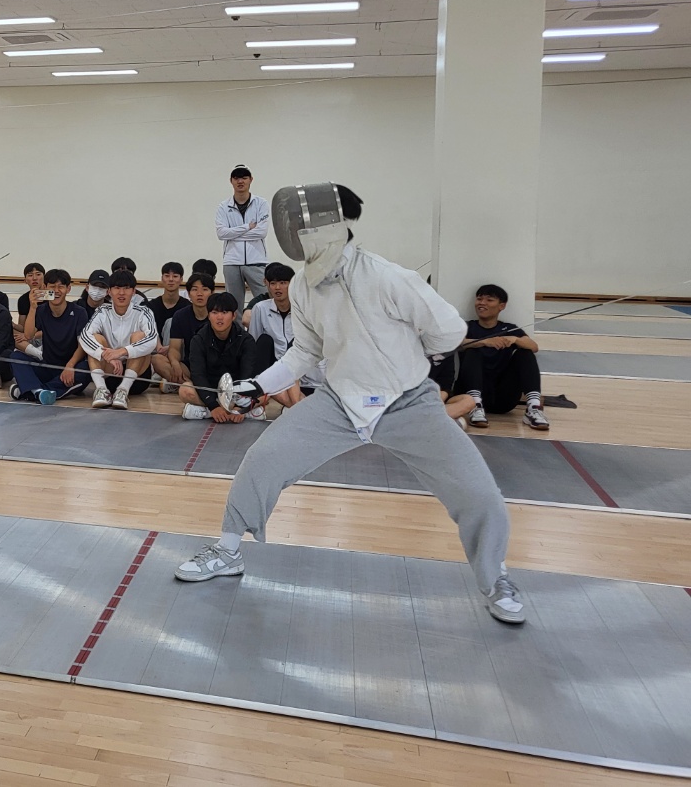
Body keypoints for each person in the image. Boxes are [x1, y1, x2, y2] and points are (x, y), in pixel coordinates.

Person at [175, 182, 525, 626]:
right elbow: (304, 353)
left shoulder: (388, 277)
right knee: (264, 458)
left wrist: (410, 354)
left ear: (329, 228)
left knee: (476, 490)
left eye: (302, 226)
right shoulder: (303, 288)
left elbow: (451, 331)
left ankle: (496, 578)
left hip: (407, 402)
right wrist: (257, 385)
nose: (295, 235)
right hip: (339, 402)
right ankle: (228, 551)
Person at [458, 284, 549, 430]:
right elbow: (455, 344)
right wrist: (484, 342)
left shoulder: (509, 328)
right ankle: (476, 406)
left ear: (502, 306)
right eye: (479, 299)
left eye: (489, 300)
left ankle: (533, 408)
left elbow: (534, 347)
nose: (482, 303)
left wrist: (516, 339)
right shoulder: (466, 327)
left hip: (503, 398)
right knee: (472, 350)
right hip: (469, 396)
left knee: (525, 352)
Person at [246, 261, 326, 408]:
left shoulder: (304, 309)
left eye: (283, 283)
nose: (277, 288)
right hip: (275, 368)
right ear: (267, 285)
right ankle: (295, 407)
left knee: (294, 344)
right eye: (273, 283)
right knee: (263, 341)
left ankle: (295, 408)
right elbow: (254, 342)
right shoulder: (260, 308)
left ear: (292, 284)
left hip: (301, 370)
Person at [79, 269, 158, 410]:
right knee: (95, 339)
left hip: (137, 379)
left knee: (139, 336)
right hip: (110, 374)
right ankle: (102, 390)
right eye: (117, 288)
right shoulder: (102, 311)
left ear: (134, 292)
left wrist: (121, 352)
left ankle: (123, 391)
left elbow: (152, 339)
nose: (121, 293)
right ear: (109, 291)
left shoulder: (144, 312)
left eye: (126, 288)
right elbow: (85, 336)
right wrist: (106, 355)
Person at [10, 268, 89, 404]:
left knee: (86, 369)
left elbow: (82, 345)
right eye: (52, 287)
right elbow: (28, 335)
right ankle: (39, 392)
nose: (56, 291)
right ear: (45, 288)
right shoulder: (41, 310)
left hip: (71, 368)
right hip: (47, 367)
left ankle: (30, 390)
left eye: (61, 287)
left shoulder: (79, 312)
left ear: (68, 289)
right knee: (16, 357)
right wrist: (32, 307)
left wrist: (70, 365)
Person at [180, 292, 257, 422]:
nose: (219, 317)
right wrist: (213, 405)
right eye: (215, 312)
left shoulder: (246, 340)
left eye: (224, 312)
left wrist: (239, 406)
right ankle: (228, 412)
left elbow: (247, 374)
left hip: (237, 393)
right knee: (185, 390)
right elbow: (198, 375)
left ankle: (205, 412)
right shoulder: (198, 340)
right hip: (211, 390)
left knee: (266, 392)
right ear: (208, 315)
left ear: (234, 315)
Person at [214, 165, 269, 309]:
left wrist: (233, 233)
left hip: (257, 260)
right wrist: (247, 227)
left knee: (264, 303)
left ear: (251, 180)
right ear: (231, 181)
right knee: (233, 306)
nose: (240, 181)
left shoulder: (261, 203)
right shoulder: (223, 206)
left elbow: (261, 232)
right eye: (236, 178)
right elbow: (221, 234)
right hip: (232, 261)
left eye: (244, 177)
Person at [147, 262, 190, 390]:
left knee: (172, 321)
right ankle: (165, 375)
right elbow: (148, 328)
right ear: (162, 278)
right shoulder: (150, 305)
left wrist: (170, 347)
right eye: (167, 276)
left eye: (175, 276)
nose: (171, 280)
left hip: (178, 352)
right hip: (155, 351)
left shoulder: (187, 307)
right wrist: (159, 346)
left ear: (181, 279)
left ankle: (165, 375)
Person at [429, 351, 476, 423]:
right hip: (418, 396)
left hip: (436, 398)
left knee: (469, 401)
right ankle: (442, 420)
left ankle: (432, 418)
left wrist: (437, 399)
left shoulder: (447, 353)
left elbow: (446, 385)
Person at [14, 262, 46, 332]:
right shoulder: (23, 299)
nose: (34, 278)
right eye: (30, 275)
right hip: (30, 334)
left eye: (38, 274)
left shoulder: (51, 297)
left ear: (44, 277)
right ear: (25, 280)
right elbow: (22, 327)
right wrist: (11, 324)